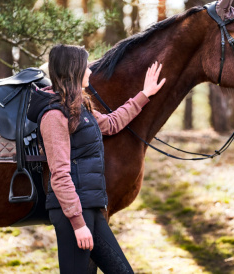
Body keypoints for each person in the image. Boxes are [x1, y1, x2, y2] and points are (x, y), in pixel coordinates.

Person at [35, 44, 165, 273]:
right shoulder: (54, 116)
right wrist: (77, 224)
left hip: (93, 208)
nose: (90, 72)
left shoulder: (81, 109)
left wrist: (144, 94)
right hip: (73, 215)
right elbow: (59, 174)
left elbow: (113, 123)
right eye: (86, 67)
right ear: (74, 70)